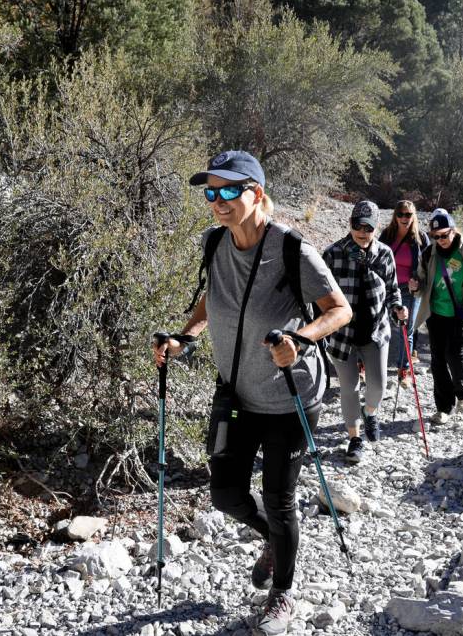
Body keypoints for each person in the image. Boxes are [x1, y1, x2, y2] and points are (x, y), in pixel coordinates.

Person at [152, 150, 351, 635]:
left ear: (255, 193)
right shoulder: (215, 243)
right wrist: (184, 339)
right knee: (225, 494)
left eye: (226, 191)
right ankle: (275, 541)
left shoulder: (292, 250)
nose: (216, 202)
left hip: (289, 398)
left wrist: (301, 341)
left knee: (279, 499)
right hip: (237, 397)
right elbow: (208, 303)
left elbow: (339, 310)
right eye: (210, 192)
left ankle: (282, 592)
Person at [323, 200, 407, 463]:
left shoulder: (384, 254)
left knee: (378, 387)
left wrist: (398, 308)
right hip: (342, 334)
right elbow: (319, 293)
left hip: (376, 331)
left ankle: (370, 412)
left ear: (375, 228)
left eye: (368, 228)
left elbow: (393, 290)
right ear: (350, 224)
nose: (362, 232)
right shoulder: (332, 253)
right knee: (348, 387)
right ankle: (354, 438)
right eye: (357, 225)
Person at [409, 209, 463, 425]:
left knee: (454, 355)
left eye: (444, 235)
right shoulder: (428, 253)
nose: (440, 240)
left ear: (453, 231)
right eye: (435, 236)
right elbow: (421, 282)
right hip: (436, 313)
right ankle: (443, 408)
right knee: (437, 361)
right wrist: (414, 286)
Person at [379, 200, 430, 385]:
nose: (404, 218)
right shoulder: (387, 235)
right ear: (395, 216)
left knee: (406, 329)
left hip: (410, 290)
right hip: (386, 288)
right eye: (400, 214)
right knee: (375, 325)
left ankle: (404, 369)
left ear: (413, 216)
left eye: (408, 214)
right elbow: (376, 257)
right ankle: (367, 365)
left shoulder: (421, 239)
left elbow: (428, 267)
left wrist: (419, 282)